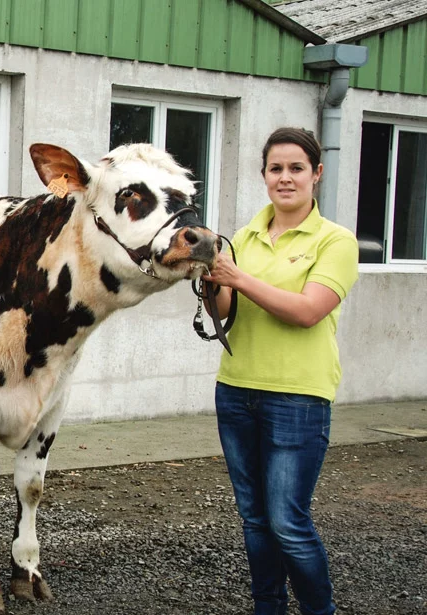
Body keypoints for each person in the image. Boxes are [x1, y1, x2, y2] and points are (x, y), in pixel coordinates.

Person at [202, 127, 359, 615]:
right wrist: (208, 280)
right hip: (236, 390)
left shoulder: (336, 241)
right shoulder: (243, 237)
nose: (285, 178)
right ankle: (267, 608)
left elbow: (308, 311)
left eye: (296, 169)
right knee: (254, 519)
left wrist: (239, 277)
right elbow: (225, 310)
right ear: (264, 175)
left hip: (298, 397)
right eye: (276, 169)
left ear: (316, 174)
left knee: (288, 521)